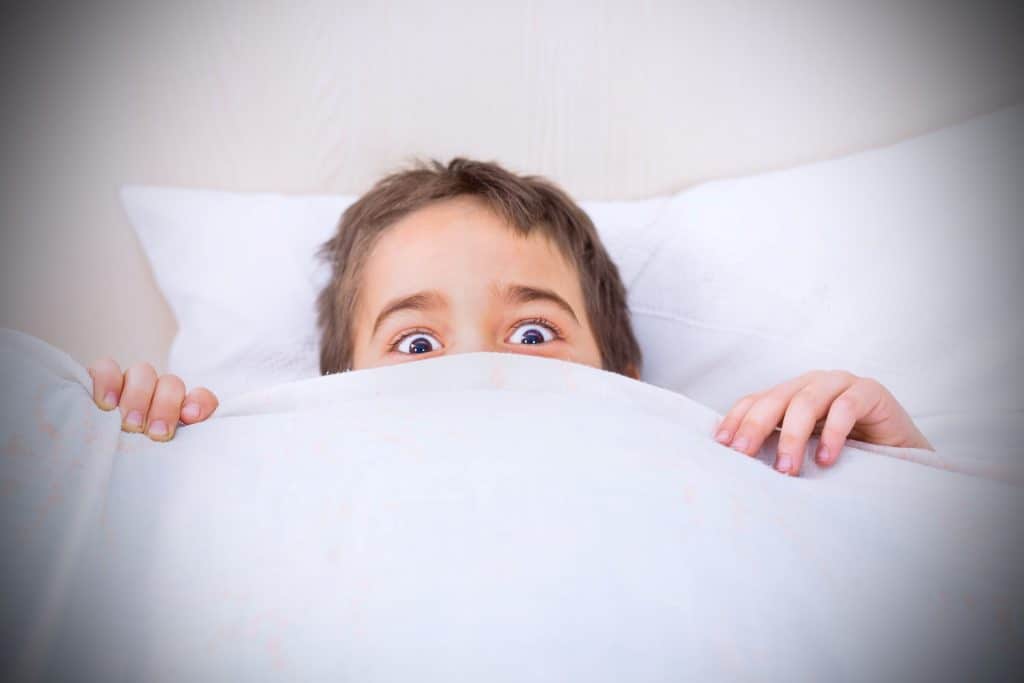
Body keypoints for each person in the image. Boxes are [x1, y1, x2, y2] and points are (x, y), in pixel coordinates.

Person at [86, 158, 932, 476]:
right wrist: (126, 460)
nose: (483, 371)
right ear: (332, 392)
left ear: (622, 377)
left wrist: (897, 480)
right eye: (416, 342)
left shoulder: (725, 472)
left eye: (533, 333)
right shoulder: (277, 485)